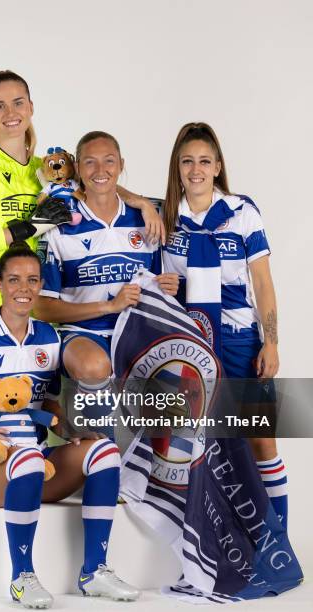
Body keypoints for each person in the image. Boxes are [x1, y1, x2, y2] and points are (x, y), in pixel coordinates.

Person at [0, 244, 140, 609]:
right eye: (13, 280)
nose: (22, 288)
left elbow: (48, 402)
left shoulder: (49, 338)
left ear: (41, 284)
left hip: (33, 462)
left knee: (104, 452)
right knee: (26, 460)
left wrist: (72, 428)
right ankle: (22, 578)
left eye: (31, 280)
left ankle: (95, 571)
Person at [0, 70, 164, 330]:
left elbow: (96, 181)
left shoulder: (46, 171)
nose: (10, 113)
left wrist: (144, 204)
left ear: (30, 107)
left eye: (18, 103)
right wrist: (28, 228)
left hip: (40, 318)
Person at [162, 122, 288, 528]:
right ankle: (213, 540)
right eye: (187, 162)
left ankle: (277, 541)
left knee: (259, 440)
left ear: (217, 166)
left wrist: (270, 342)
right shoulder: (165, 218)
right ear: (177, 168)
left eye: (204, 161)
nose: (195, 170)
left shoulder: (242, 212)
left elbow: (263, 284)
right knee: (194, 445)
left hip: (238, 341)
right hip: (191, 345)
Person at [35, 131, 179, 438]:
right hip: (86, 334)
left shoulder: (148, 217)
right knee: (93, 366)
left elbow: (165, 285)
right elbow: (42, 306)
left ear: (121, 164)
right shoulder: (60, 224)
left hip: (138, 331)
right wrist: (108, 306)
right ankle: (104, 454)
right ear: (77, 168)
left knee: (177, 370)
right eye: (90, 162)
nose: (101, 170)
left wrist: (168, 287)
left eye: (109, 161)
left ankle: (155, 471)